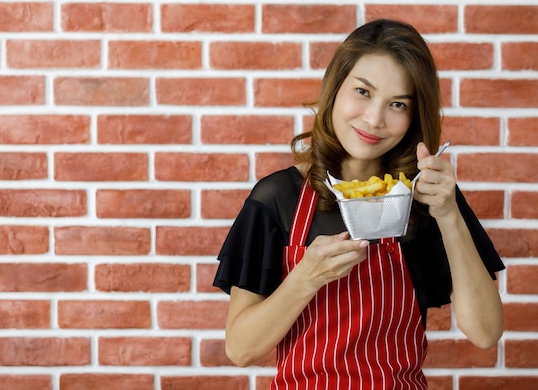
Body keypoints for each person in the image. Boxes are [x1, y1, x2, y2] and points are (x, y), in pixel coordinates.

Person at [213, 18, 504, 389]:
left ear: (414, 117)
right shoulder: (277, 199)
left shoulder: (429, 197)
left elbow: (485, 333)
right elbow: (240, 350)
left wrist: (448, 215)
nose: (374, 119)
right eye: (363, 92)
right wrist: (305, 277)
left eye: (397, 104)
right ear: (336, 88)